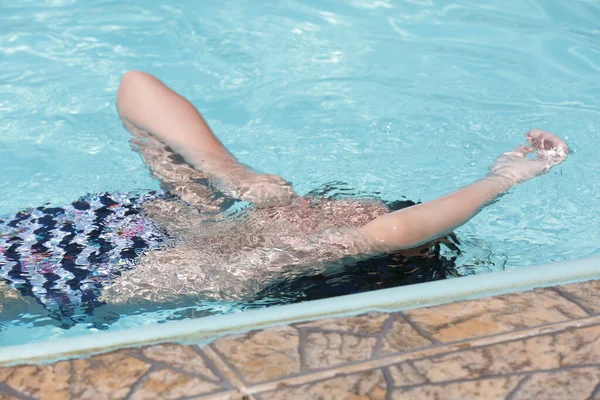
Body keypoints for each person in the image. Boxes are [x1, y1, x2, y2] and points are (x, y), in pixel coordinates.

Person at [0, 71, 570, 327]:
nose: (339, 204)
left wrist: (505, 178)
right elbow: (136, 89)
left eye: (357, 215)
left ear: (333, 254)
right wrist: (230, 172)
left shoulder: (234, 272)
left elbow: (397, 233)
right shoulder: (195, 207)